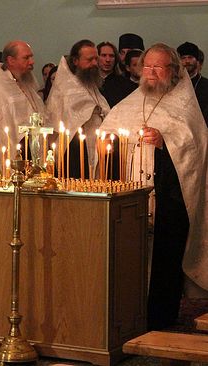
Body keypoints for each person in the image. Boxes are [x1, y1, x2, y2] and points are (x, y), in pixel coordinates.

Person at [101, 43, 208, 330]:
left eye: (158, 67)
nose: (150, 72)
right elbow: (105, 137)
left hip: (169, 198)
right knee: (130, 257)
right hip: (130, 198)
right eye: (146, 66)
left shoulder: (184, 106)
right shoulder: (129, 103)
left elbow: (194, 149)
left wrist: (165, 143)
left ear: (173, 71)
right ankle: (128, 315)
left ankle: (161, 319)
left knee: (164, 259)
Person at [46, 39, 110, 178]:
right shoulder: (66, 88)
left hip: (96, 145)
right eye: (89, 59)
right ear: (75, 61)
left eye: (95, 59)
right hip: (74, 149)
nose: (94, 63)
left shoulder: (91, 84)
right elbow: (63, 120)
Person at [0, 40, 46, 152]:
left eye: (31, 57)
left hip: (33, 146)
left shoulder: (25, 82)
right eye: (26, 58)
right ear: (11, 60)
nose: (32, 62)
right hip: (15, 151)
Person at [177, 42, 208, 123]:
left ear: (197, 61)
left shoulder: (206, 85)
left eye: (190, 57)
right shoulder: (173, 84)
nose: (187, 61)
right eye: (183, 58)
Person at [97, 41, 136, 107]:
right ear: (96, 58)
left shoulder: (127, 85)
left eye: (111, 56)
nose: (108, 60)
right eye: (104, 55)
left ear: (116, 59)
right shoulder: (89, 83)